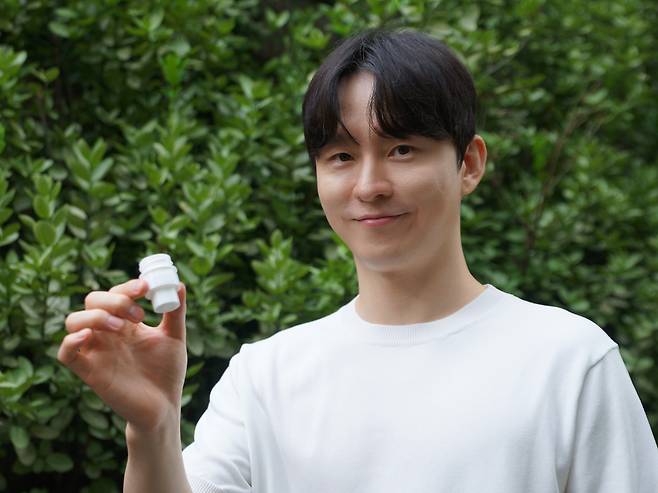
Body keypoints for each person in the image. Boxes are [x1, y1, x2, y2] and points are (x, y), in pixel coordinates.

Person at [57, 28, 658, 493]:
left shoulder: (568, 361)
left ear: (469, 164)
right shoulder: (266, 377)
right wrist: (154, 427)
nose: (370, 186)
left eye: (402, 149)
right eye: (341, 157)